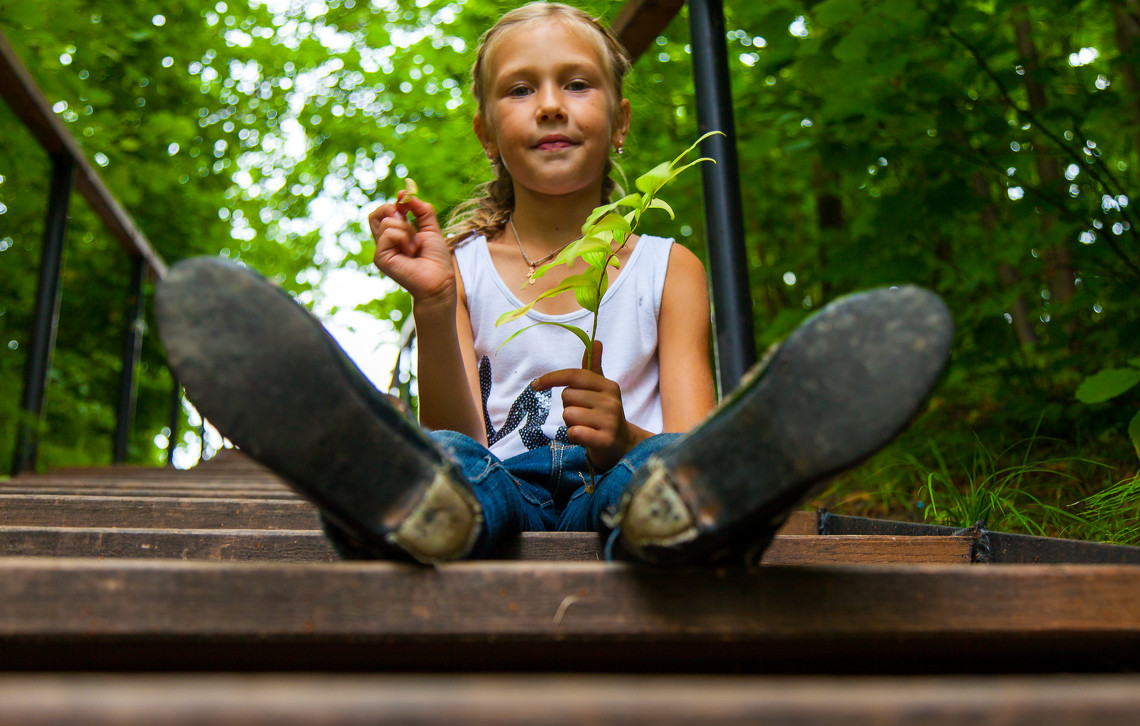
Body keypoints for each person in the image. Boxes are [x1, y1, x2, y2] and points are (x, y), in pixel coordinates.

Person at [155, 3, 953, 567]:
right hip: (500, 492)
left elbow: (694, 435)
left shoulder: (668, 268)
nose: (549, 107)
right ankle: (404, 501)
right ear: (487, 131)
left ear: (620, 117)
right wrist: (433, 305)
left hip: (625, 486)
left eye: (576, 84)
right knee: (453, 461)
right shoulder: (460, 268)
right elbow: (463, 425)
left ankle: (698, 518)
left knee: (671, 468)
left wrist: (626, 440)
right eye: (519, 89)